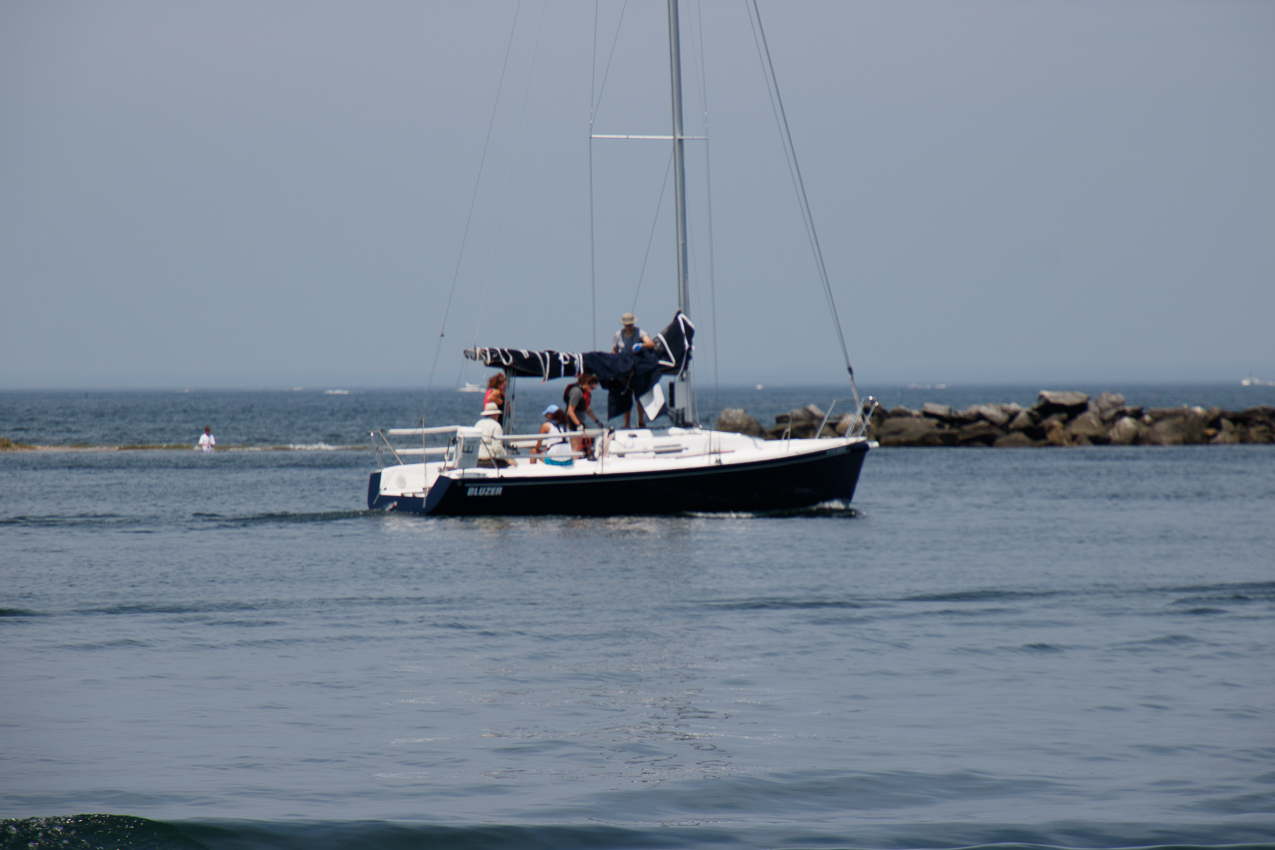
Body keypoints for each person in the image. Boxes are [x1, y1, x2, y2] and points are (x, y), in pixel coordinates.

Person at [611, 313, 654, 428]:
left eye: (631, 324)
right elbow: (614, 350)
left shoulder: (640, 332)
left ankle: (641, 421)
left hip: (637, 367)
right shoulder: (618, 335)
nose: (629, 327)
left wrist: (642, 345)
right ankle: (627, 424)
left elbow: (651, 344)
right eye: (627, 325)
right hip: (624, 368)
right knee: (626, 396)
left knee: (639, 396)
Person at [565, 374, 601, 456]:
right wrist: (578, 424)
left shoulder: (586, 393)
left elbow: (588, 410)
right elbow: (570, 411)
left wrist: (597, 421)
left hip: (580, 423)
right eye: (591, 388)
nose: (591, 390)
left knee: (583, 446)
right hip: (572, 423)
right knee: (576, 448)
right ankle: (575, 461)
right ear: (587, 383)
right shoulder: (577, 392)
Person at [474, 402, 512, 468]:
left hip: (476, 461)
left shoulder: (478, 424)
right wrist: (507, 458)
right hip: (489, 461)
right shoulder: (496, 426)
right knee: (510, 465)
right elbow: (497, 448)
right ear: (495, 415)